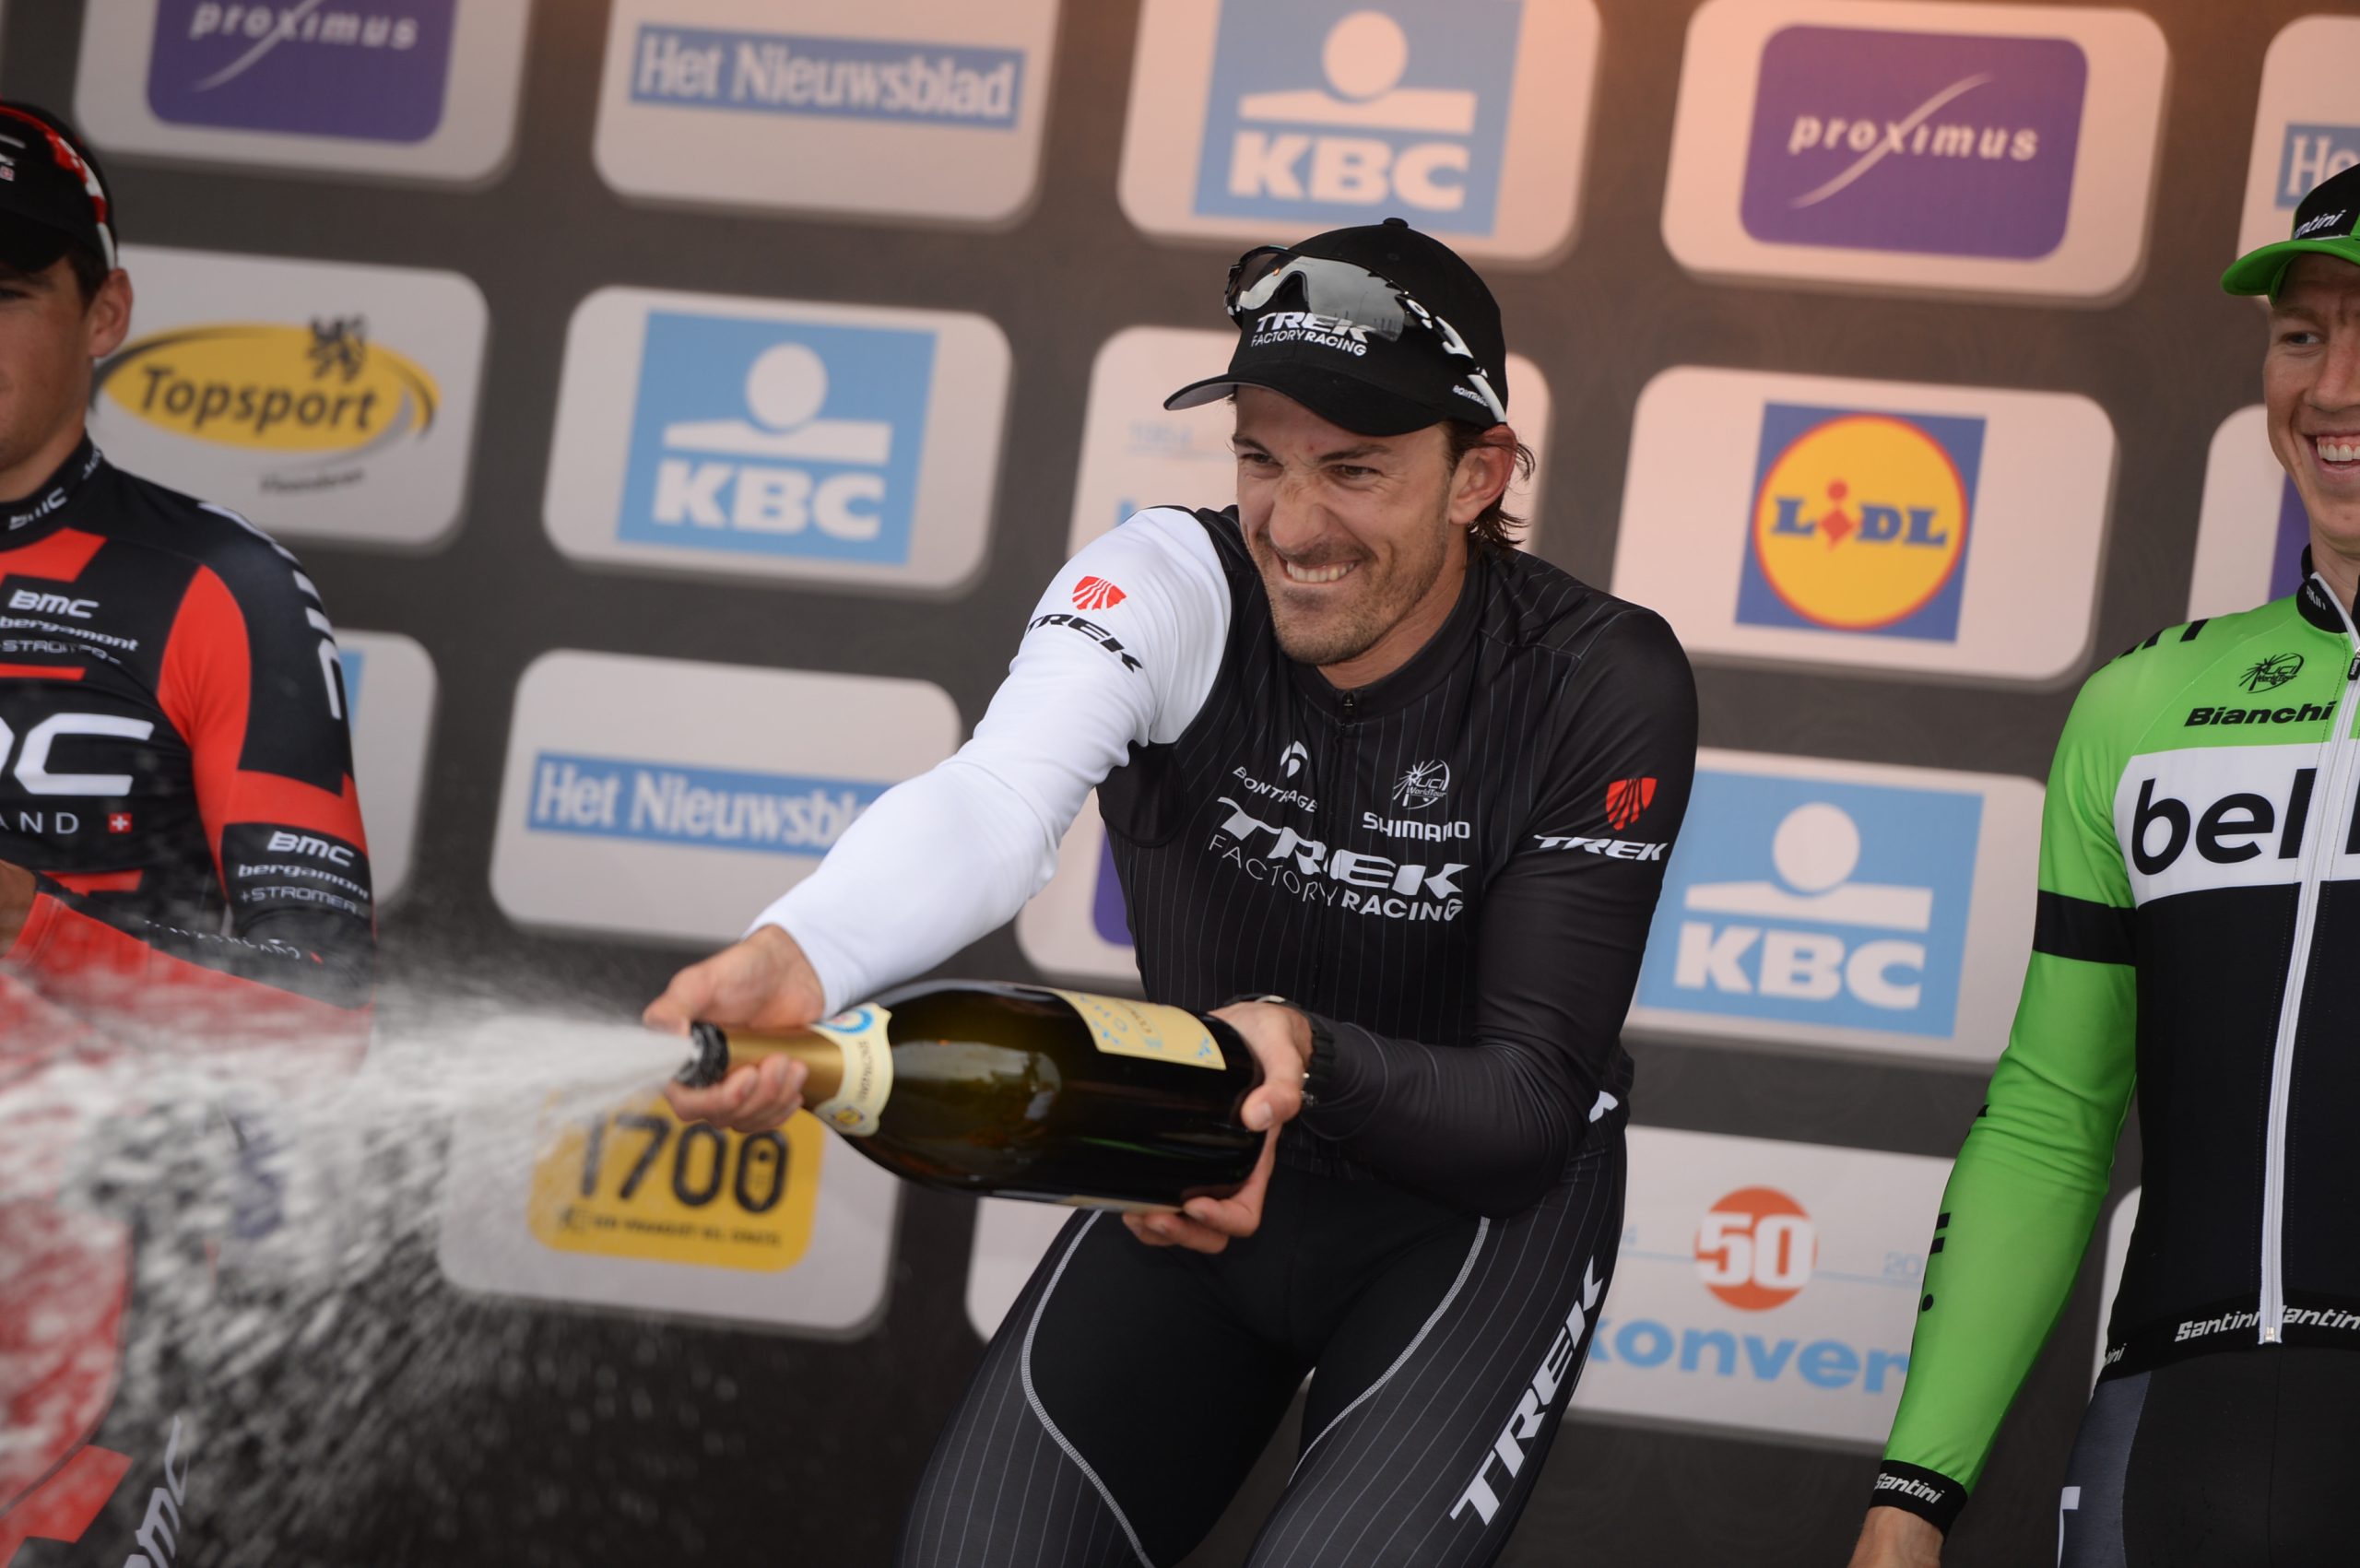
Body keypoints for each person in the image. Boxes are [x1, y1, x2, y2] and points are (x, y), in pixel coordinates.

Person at [653, 217, 1698, 1567]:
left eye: (1356, 469)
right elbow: (993, 799)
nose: (1294, 524)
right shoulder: (1163, 580)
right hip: (1194, 1151)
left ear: (1476, 473)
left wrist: (1309, 1056)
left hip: (1472, 1214)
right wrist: (807, 954)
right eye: (1261, 456)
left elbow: (1523, 1111)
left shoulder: (1598, 678)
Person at [1849, 162, 2360, 1568]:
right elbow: (2054, 1117)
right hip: (2170, 1439)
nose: (2332, 388)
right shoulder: (2146, 704)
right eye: (2305, 333)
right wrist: (1914, 1491)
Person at [0, 101, 374, 1563]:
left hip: (74, 1329)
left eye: (7, 293)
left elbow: (320, 1016)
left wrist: (33, 920)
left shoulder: (217, 588)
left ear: (105, 315)